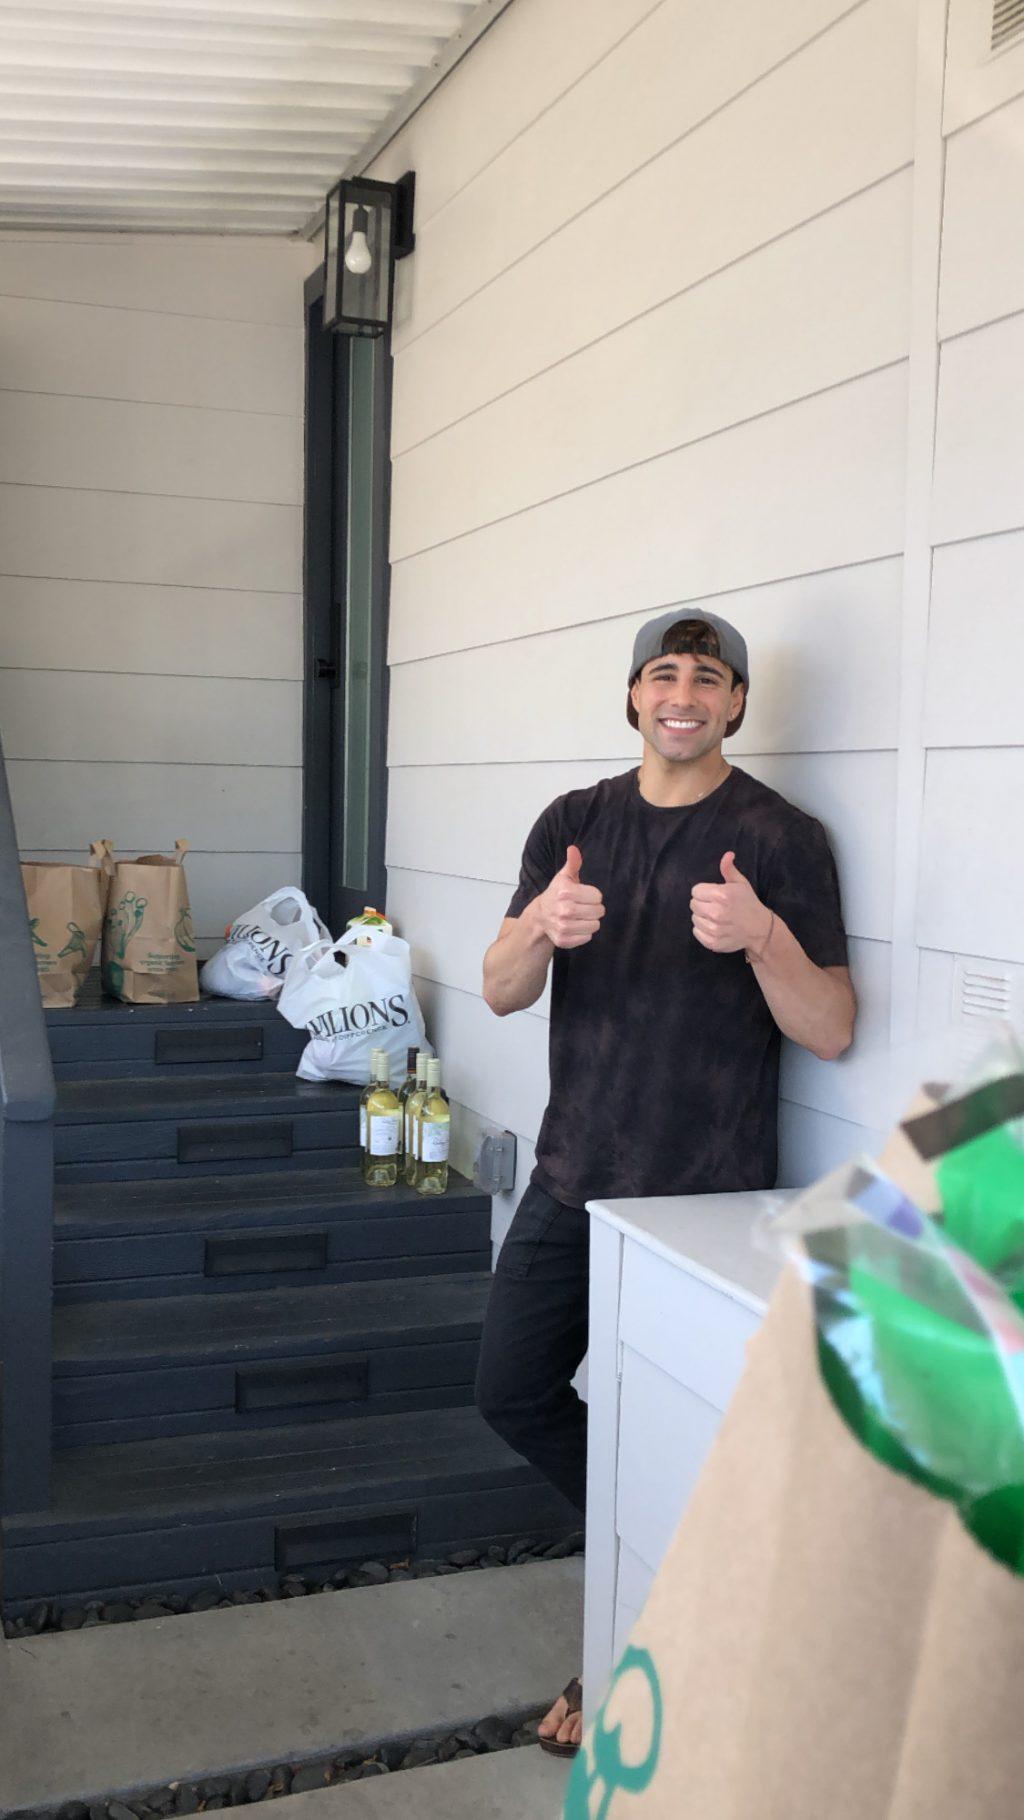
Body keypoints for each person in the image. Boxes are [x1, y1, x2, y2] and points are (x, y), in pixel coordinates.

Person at [476, 607, 856, 1755]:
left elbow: (830, 1028)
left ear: (736, 702)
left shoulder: (780, 836)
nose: (682, 692)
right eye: (662, 673)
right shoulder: (573, 822)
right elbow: (498, 988)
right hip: (573, 1172)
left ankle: (628, 1647)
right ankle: (689, 1569)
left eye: (707, 676)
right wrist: (542, 924)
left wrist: (761, 937)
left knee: (679, 1430)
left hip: (702, 1203)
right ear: (633, 695)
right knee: (510, 1390)